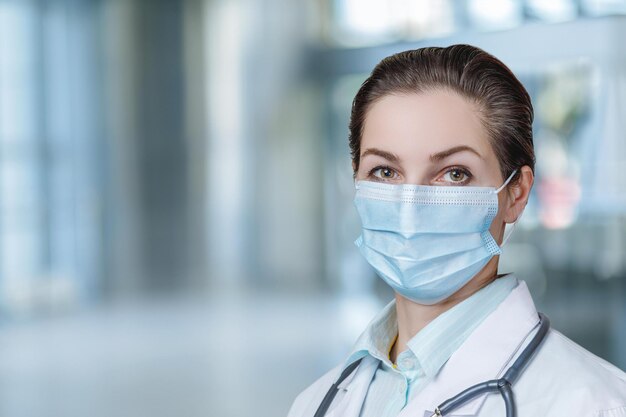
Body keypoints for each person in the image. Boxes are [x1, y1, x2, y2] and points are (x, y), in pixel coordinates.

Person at [287, 44, 626, 417]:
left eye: (454, 173)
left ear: (516, 193)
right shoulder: (317, 403)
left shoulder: (596, 404)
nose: (410, 205)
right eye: (385, 171)